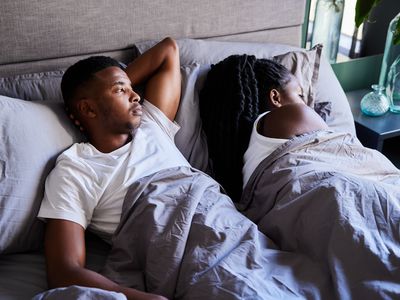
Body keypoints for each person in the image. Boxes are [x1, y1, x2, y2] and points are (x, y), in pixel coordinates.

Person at [38, 37, 185, 300]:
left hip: (227, 224)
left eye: (132, 88)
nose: (136, 95)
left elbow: (169, 49)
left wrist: (117, 87)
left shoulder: (153, 124)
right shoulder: (76, 169)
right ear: (87, 108)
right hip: (177, 244)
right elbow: (63, 271)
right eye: (121, 90)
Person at [199, 55, 328, 199]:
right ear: (276, 98)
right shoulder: (296, 114)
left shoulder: (244, 162)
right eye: (300, 95)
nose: (307, 104)